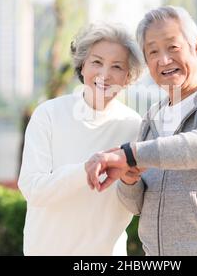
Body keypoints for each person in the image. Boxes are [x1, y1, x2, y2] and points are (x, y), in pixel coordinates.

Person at [85, 6, 197, 256]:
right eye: (153, 52)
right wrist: (129, 179)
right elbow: (136, 204)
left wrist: (130, 154)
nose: (163, 60)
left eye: (173, 47)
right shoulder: (152, 117)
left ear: (196, 47)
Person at [18, 22, 144, 255]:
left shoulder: (135, 127)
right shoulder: (49, 114)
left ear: (128, 77)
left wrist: (131, 180)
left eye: (117, 66)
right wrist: (86, 169)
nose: (105, 74)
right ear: (83, 66)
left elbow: (138, 202)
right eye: (97, 62)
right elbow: (32, 188)